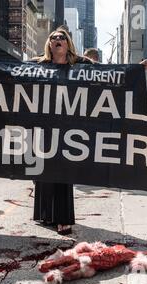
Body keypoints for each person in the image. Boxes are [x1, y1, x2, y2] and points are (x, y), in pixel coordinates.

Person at [32, 29, 94, 236]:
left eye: (62, 38)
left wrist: (136, 71)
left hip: (70, 128)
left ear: (68, 43)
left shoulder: (82, 64)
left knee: (62, 171)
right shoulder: (38, 64)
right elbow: (8, 73)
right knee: (42, 171)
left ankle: (63, 218)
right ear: (49, 44)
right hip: (43, 126)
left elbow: (112, 76)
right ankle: (45, 213)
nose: (57, 40)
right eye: (53, 38)